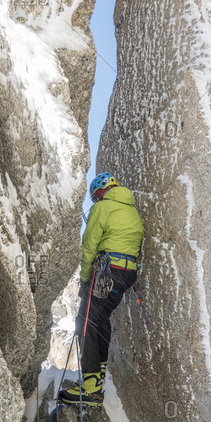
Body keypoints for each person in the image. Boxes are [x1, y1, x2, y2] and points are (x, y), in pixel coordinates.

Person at [58, 172, 144, 407]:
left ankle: (90, 388)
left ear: (100, 192)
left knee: (85, 322)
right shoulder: (132, 210)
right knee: (100, 319)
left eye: (95, 197)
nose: (95, 201)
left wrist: (85, 279)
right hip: (127, 274)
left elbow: (90, 246)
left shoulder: (103, 208)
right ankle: (97, 377)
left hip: (106, 271)